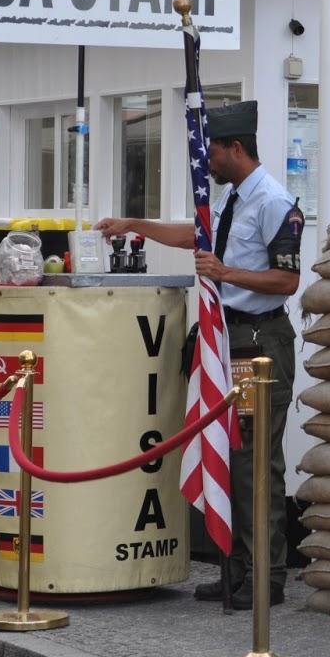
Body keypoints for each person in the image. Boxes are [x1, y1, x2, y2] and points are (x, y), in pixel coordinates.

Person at [96, 100, 303, 610]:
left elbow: (288, 280)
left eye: (210, 150)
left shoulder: (274, 200)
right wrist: (133, 224)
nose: (205, 159)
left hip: (257, 344)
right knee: (228, 458)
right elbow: (197, 235)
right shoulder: (235, 198)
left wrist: (225, 274)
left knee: (255, 462)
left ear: (235, 148)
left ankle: (265, 576)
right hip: (225, 339)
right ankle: (235, 571)